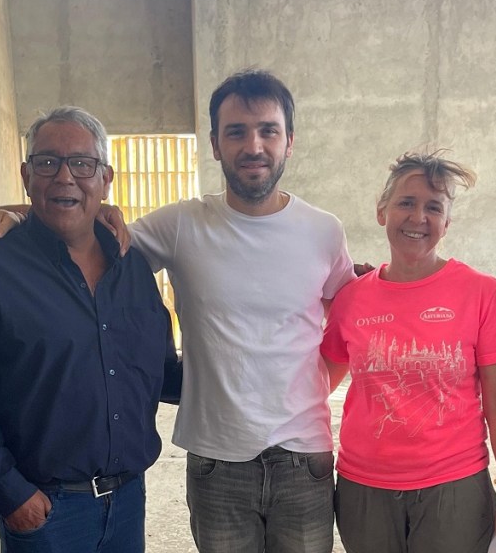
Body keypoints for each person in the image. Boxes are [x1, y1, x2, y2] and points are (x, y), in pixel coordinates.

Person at [129, 70, 355, 552]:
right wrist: (11, 216)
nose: (253, 145)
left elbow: (349, 324)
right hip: (217, 461)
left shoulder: (323, 231)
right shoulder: (181, 225)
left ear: (289, 141)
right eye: (237, 132)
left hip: (304, 460)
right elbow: (87, 243)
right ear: (215, 143)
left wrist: (314, 387)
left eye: (268, 130)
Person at [0, 106, 180, 553]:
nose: (65, 177)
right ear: (26, 175)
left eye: (82, 164)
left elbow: (161, 373)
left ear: (106, 178)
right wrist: (11, 492)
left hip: (128, 503)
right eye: (47, 162)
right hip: (46, 514)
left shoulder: (133, 269)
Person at [321, 151, 496, 553]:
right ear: (382, 211)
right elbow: (317, 384)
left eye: (433, 207)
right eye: (406, 203)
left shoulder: (481, 293)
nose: (418, 217)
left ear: (447, 223)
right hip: (363, 488)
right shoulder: (351, 299)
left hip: (453, 489)